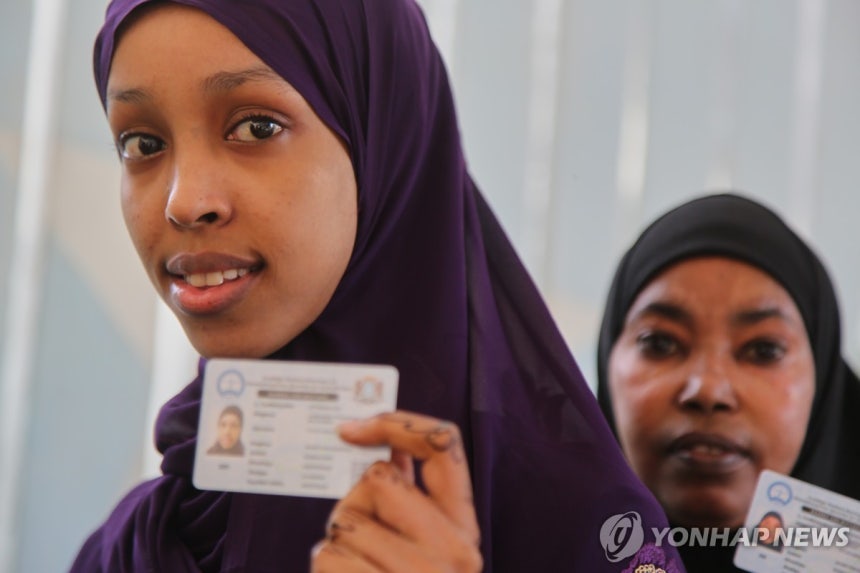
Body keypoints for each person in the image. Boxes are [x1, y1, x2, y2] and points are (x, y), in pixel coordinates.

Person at [70, 0, 684, 571]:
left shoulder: (591, 530)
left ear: (384, 141)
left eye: (255, 128)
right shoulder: (137, 544)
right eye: (142, 143)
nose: (184, 201)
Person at [596, 193, 860, 572]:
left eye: (764, 350)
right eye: (660, 343)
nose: (708, 390)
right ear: (608, 360)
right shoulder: (510, 547)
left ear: (821, 382)